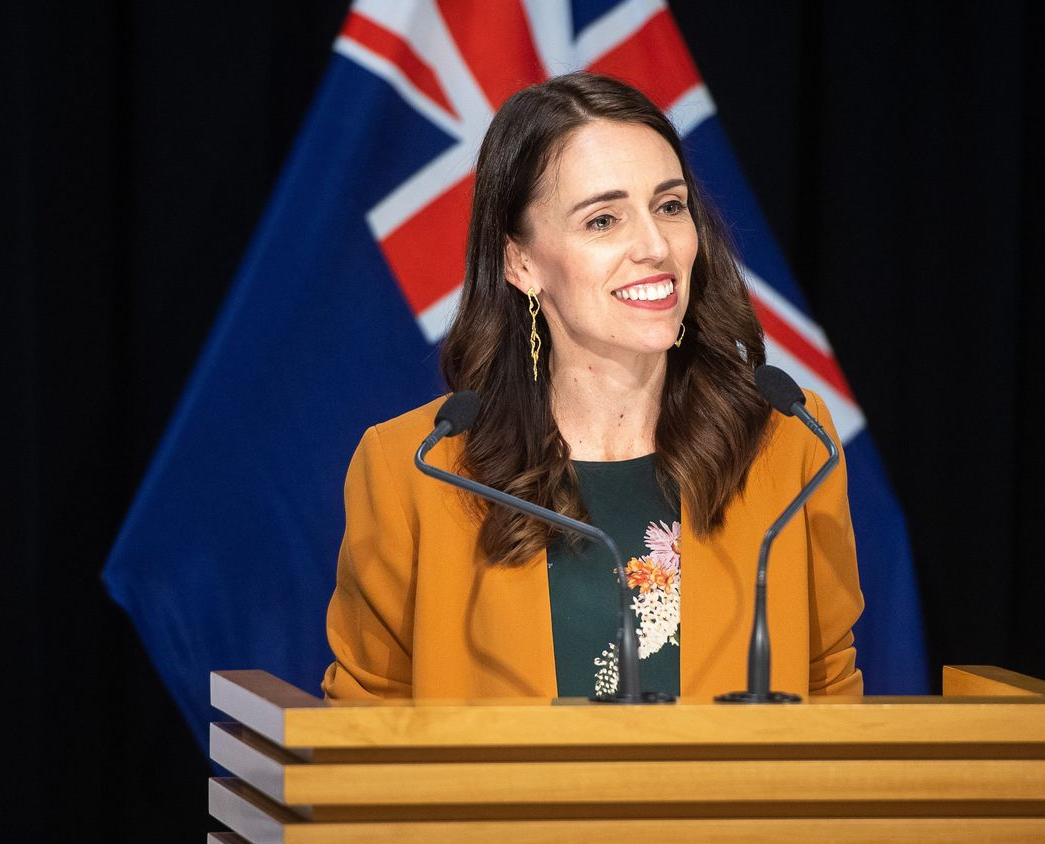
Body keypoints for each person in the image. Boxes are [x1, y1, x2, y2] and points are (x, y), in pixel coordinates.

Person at [322, 72, 863, 701]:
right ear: (521, 262)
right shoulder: (417, 467)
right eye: (603, 220)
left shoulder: (790, 442)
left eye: (670, 206)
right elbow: (366, 719)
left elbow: (829, 687)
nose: (655, 246)